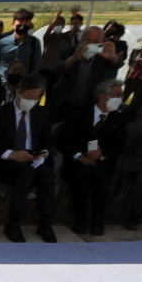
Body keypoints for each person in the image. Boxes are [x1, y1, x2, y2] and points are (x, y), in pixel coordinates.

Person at [0, 74, 56, 243]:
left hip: (32, 158)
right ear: (18, 93)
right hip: (7, 162)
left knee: (47, 174)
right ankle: (13, 222)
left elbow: (48, 139)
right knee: (26, 174)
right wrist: (12, 154)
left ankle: (45, 222)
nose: (32, 101)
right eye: (28, 97)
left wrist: (44, 152)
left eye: (37, 97)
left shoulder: (42, 112)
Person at [57, 80, 127, 236]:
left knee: (101, 176)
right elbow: (64, 140)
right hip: (77, 161)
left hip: (103, 162)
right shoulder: (78, 114)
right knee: (83, 173)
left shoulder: (119, 119)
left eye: (121, 95)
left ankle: (98, 218)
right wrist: (80, 156)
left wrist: (102, 155)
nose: (120, 99)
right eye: (117, 95)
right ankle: (80, 218)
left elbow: (119, 145)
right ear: (103, 97)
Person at [51, 26, 121, 120]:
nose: (91, 45)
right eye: (87, 41)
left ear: (102, 42)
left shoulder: (103, 54)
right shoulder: (68, 51)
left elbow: (118, 64)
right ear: (79, 42)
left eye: (96, 42)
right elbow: (57, 70)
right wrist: (74, 57)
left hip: (89, 104)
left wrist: (112, 56)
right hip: (65, 101)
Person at [0, 12, 41, 85]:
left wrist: (30, 80)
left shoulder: (34, 42)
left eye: (26, 22)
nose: (23, 25)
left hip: (23, 84)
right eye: (20, 22)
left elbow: (36, 63)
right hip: (3, 82)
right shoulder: (2, 43)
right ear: (13, 24)